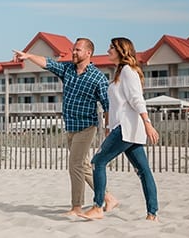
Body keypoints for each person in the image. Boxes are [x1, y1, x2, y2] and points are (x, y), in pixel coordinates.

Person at [13, 38, 118, 216]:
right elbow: (48, 63)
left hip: (87, 126)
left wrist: (108, 128)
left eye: (77, 50)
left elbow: (107, 105)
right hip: (70, 125)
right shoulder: (68, 69)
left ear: (88, 53)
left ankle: (76, 207)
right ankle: (108, 197)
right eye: (73, 50)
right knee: (83, 165)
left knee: (75, 165)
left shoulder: (97, 77)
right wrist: (29, 56)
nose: (74, 53)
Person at [79, 37, 160, 222]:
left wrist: (147, 122)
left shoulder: (128, 72)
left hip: (126, 129)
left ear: (121, 51)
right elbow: (117, 105)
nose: (108, 50)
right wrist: (109, 126)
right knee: (143, 171)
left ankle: (98, 206)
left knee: (97, 162)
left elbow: (136, 99)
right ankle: (152, 214)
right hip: (125, 129)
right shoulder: (120, 72)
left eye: (112, 48)